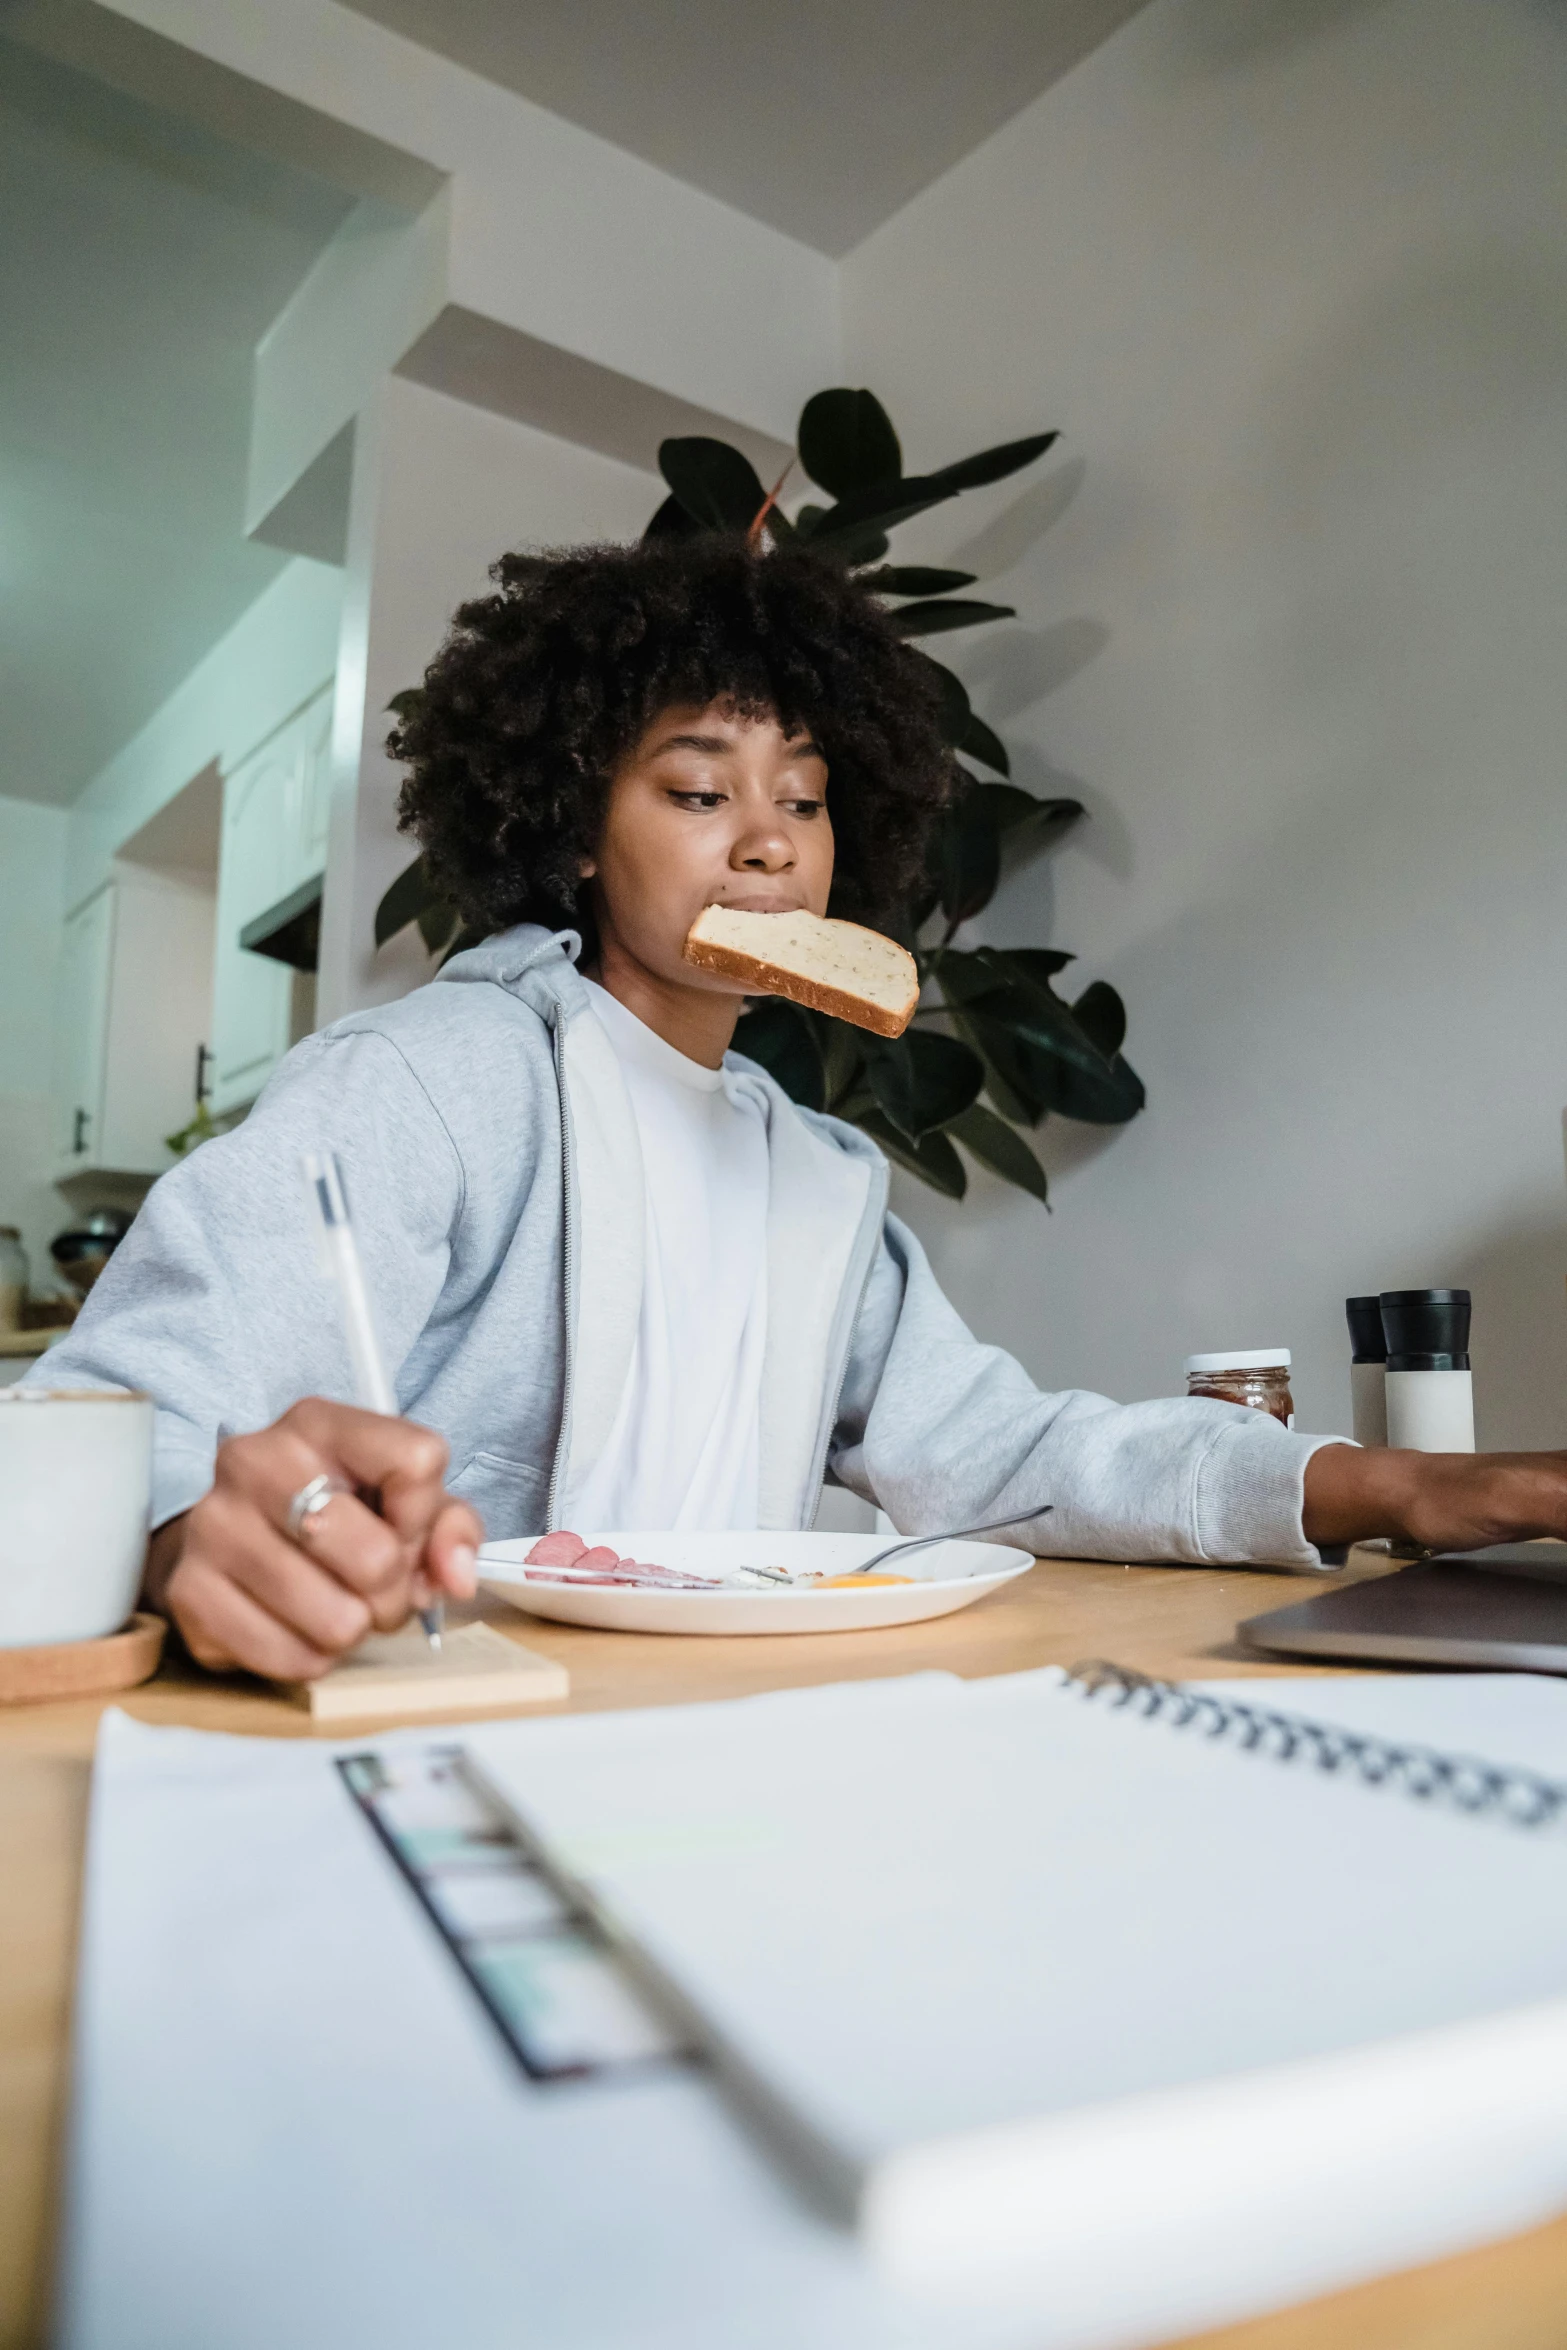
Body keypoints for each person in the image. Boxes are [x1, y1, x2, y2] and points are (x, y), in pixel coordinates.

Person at [32, 536, 1567, 1680]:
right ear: (575, 832)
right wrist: (188, 1531)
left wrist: (1401, 1484)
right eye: (698, 793)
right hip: (453, 1721)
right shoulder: (433, 1083)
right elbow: (116, 1412)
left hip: (746, 1716)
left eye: (806, 797)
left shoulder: (819, 1177)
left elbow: (1009, 1452)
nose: (766, 843)